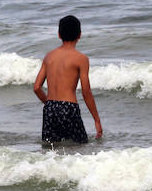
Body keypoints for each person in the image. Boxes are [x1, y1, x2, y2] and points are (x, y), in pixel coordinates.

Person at [32, 15, 103, 144]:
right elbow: (86, 92)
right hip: (69, 107)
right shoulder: (81, 59)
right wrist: (96, 119)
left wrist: (48, 104)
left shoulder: (49, 56)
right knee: (79, 148)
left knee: (51, 149)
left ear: (59, 35)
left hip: (50, 108)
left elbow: (36, 87)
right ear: (79, 35)